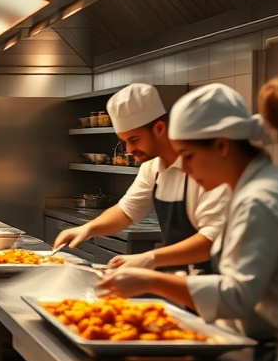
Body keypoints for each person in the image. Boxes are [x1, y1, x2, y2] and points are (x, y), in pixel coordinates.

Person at [98, 83, 278, 361]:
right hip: (255, 344)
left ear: (221, 145)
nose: (184, 168)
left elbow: (237, 295)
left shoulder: (260, 199)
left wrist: (150, 277)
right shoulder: (259, 187)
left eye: (188, 156)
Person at [53, 83, 228, 272]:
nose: (129, 150)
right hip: (180, 277)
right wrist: (87, 229)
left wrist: (149, 258)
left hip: (216, 279)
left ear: (159, 128)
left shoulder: (206, 168)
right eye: (124, 141)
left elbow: (212, 239)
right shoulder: (152, 166)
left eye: (134, 140)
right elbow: (128, 210)